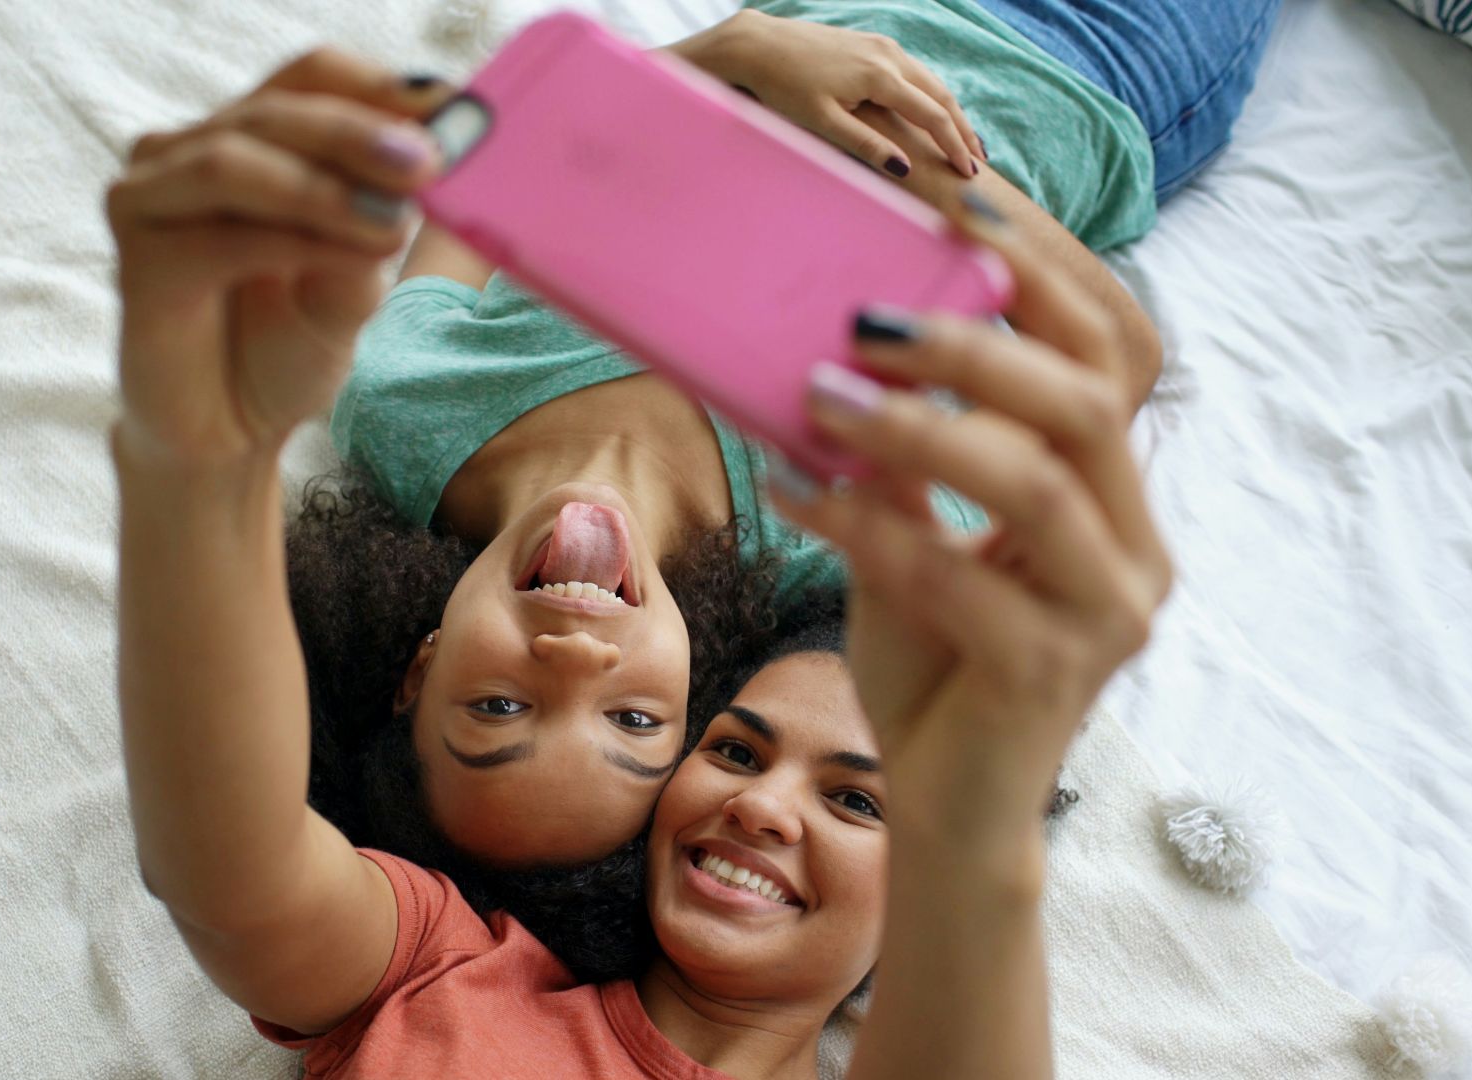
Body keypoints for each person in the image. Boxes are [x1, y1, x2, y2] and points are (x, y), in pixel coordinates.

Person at [110, 18, 1076, 982]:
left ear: (421, 665)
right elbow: (1092, 361)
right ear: (694, 693)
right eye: (633, 722)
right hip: (1074, 78)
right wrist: (914, 159)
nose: (575, 658)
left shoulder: (403, 409)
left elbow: (497, 143)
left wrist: (735, 56)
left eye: (497, 705)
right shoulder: (833, 542)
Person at [229, 215, 1175, 1077]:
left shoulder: (447, 977)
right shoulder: (463, 966)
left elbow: (230, 854)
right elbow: (1112, 365)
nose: (760, 805)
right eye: (732, 750)